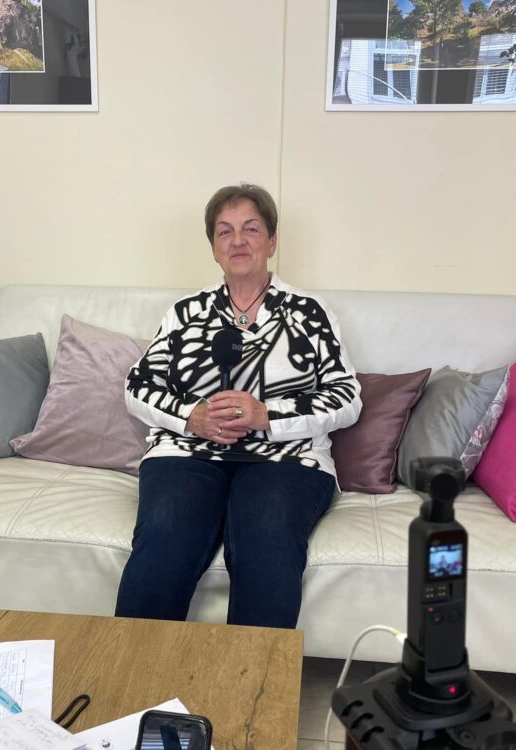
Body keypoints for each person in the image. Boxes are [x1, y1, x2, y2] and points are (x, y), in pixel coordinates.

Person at [115, 184, 362, 629]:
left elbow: (346, 396)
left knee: (267, 535)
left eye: (251, 229)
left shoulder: (309, 311)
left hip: (287, 459)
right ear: (213, 247)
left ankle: (249, 676)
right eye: (225, 232)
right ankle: (136, 670)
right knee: (166, 534)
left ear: (272, 241)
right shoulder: (185, 312)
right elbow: (137, 386)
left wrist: (267, 415)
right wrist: (191, 416)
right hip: (188, 453)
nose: (238, 241)